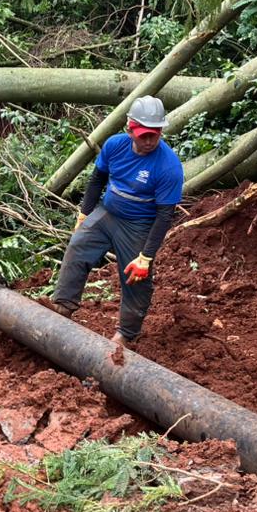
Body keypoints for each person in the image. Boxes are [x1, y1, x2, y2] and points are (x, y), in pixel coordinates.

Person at [52, 96, 184, 346]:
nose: (149, 141)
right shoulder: (115, 145)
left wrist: (146, 257)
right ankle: (63, 307)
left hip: (138, 224)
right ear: (130, 129)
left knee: (136, 278)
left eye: (155, 134)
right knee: (78, 246)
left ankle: (125, 334)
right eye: (144, 135)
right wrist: (84, 214)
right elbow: (97, 179)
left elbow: (165, 215)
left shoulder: (169, 167)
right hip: (107, 213)